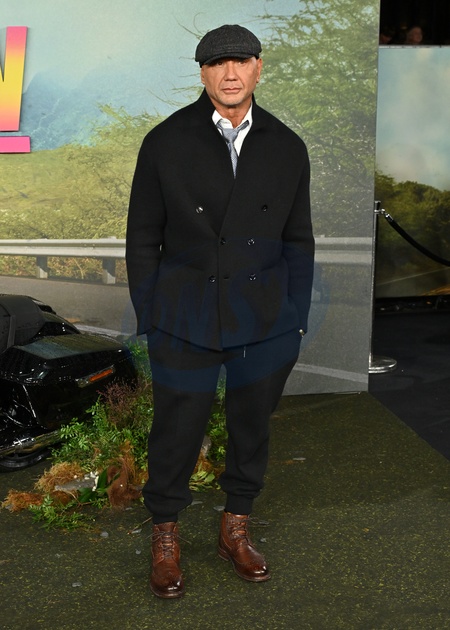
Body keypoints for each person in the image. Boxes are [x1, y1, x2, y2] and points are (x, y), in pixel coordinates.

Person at [126, 23, 315, 599]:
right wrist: (152, 314)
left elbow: (299, 239)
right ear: (203, 72)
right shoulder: (165, 142)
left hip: (265, 318)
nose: (230, 73)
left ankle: (236, 526)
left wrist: (295, 317)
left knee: (251, 426)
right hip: (184, 316)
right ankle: (165, 533)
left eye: (241, 61)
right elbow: (142, 237)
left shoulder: (287, 145)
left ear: (259, 67)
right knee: (176, 429)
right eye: (217, 63)